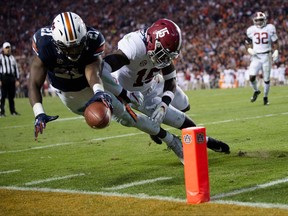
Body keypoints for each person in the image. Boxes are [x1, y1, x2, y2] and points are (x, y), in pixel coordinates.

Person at [28, 12, 184, 163]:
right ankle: (168, 137)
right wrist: (39, 113)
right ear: (56, 42)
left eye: (78, 46)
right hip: (68, 94)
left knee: (127, 117)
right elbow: (34, 83)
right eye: (68, 47)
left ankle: (171, 141)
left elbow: (93, 72)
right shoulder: (44, 43)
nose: (74, 51)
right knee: (119, 119)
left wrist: (99, 92)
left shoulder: (93, 39)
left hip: (91, 84)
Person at [102, 18, 230, 153]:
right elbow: (104, 67)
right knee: (183, 122)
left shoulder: (162, 48)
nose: (165, 60)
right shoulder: (135, 46)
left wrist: (164, 105)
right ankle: (205, 141)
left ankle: (158, 126)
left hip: (153, 82)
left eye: (168, 56)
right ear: (152, 41)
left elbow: (171, 80)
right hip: (135, 93)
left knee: (184, 105)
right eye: (162, 54)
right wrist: (121, 92)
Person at [245, 11, 279, 105]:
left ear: (264, 20)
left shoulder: (270, 28)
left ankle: (265, 97)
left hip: (266, 55)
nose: (259, 22)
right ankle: (256, 91)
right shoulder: (251, 30)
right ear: (254, 21)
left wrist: (276, 51)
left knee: (266, 79)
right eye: (257, 20)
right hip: (256, 56)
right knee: (251, 77)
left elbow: (275, 42)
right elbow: (247, 43)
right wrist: (249, 49)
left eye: (260, 20)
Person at [0, 42, 20, 117]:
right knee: (3, 96)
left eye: (9, 47)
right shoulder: (1, 57)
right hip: (4, 78)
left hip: (11, 78)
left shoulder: (12, 57)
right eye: (6, 48)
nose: (8, 49)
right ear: (3, 49)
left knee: (11, 96)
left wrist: (17, 79)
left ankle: (13, 112)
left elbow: (16, 69)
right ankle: (2, 112)